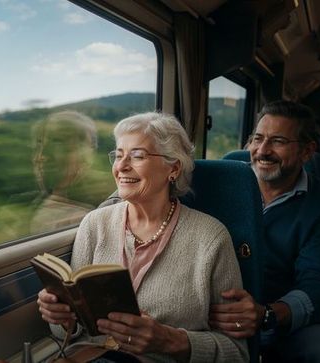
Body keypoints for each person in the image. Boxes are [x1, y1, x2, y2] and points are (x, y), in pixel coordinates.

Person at [37, 112, 248, 362]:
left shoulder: (211, 238)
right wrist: (61, 317)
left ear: (173, 168)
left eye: (137, 155)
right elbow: (73, 331)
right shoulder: (95, 224)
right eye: (118, 155)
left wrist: (170, 341)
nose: (122, 166)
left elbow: (237, 353)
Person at [209, 100, 320, 362]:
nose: (262, 151)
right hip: (208, 309)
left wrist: (267, 314)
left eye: (278, 141)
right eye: (258, 138)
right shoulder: (222, 181)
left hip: (277, 318)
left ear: (307, 152)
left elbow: (318, 285)